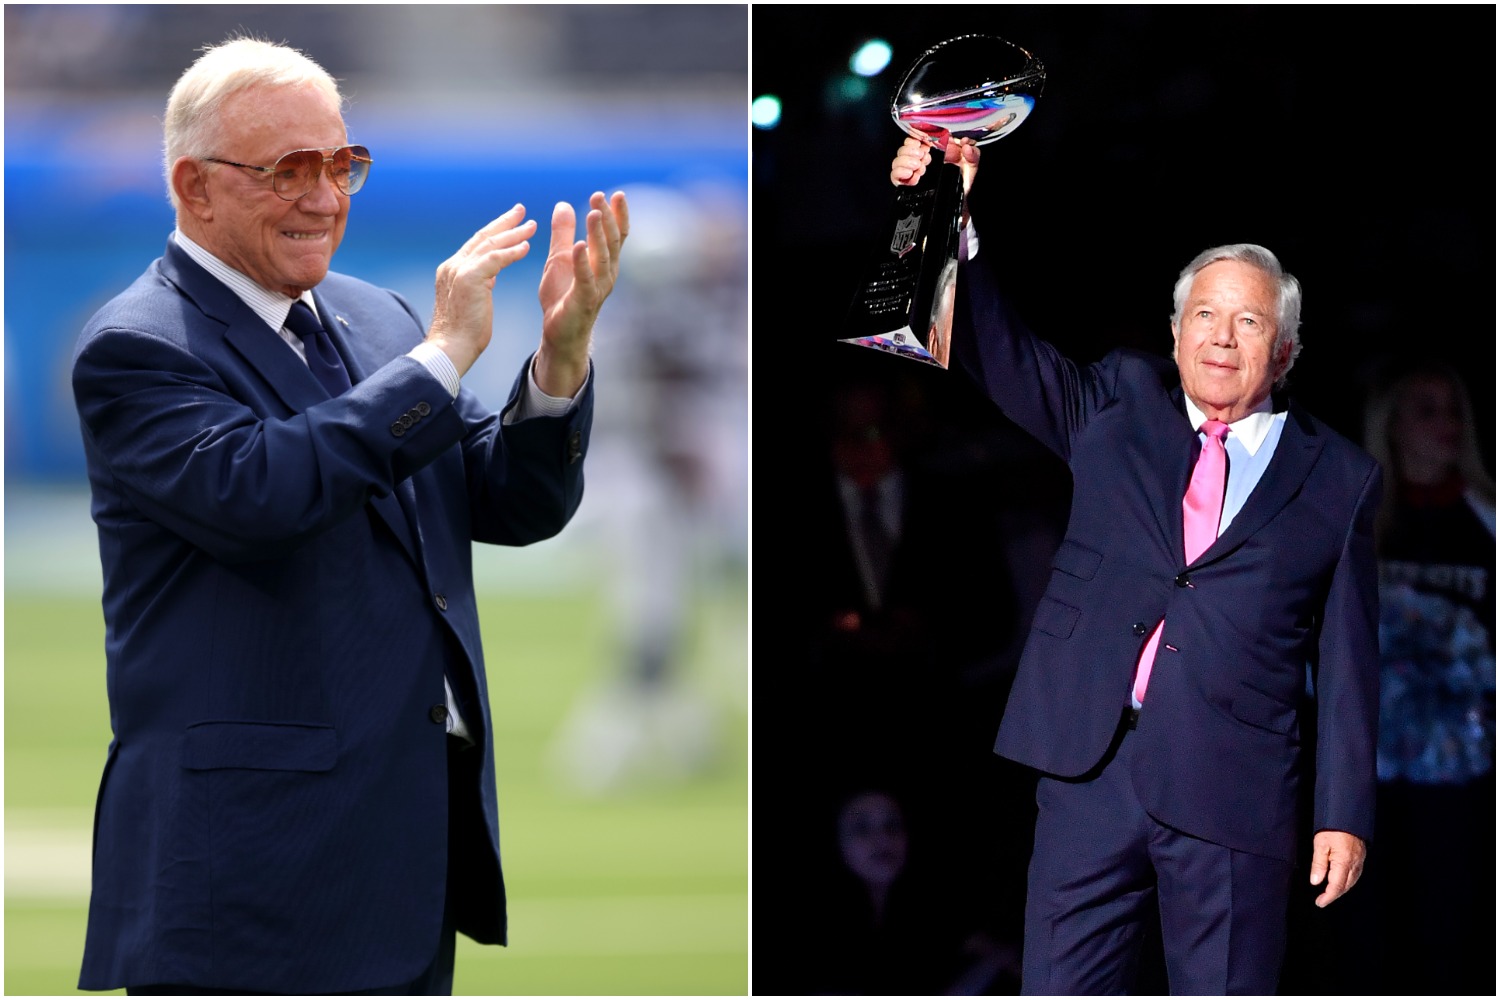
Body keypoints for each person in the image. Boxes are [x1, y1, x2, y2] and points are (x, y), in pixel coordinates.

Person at [71, 37, 628, 995]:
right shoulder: (138, 345)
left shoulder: (376, 317)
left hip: (403, 848)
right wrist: (444, 357)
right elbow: (262, 494)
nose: (325, 197)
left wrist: (558, 365)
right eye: (289, 169)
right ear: (194, 188)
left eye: (341, 164)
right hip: (246, 870)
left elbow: (504, 503)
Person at [890, 135, 1381, 994]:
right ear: (1174, 330)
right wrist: (946, 212)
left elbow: (1347, 664)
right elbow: (995, 347)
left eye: (1249, 321)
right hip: (1090, 767)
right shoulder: (1121, 402)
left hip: (1235, 787)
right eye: (1204, 315)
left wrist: (1343, 815)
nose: (1222, 339)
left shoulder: (1339, 476)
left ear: (1288, 350)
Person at [1352, 361, 1495, 994]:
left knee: (1451, 937)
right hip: (1366, 771)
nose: (1445, 425)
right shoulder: (1359, 516)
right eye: (1425, 409)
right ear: (1393, 424)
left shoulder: (1485, 517)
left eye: (1453, 410)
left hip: (1463, 768)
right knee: (1370, 937)